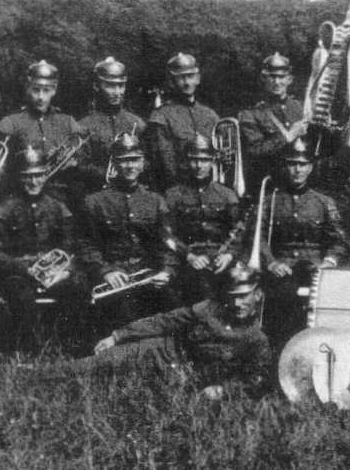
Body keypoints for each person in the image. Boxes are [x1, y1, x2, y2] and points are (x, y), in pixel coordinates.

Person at [85, 266, 270, 394]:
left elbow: (255, 377)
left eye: (243, 296)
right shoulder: (207, 309)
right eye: (232, 297)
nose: (237, 303)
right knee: (86, 368)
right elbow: (164, 321)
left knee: (119, 389)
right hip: (155, 353)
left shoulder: (256, 339)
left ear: (258, 294)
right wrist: (117, 336)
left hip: (179, 379)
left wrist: (222, 389)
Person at [0, 147, 82, 353]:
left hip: (54, 272)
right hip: (18, 275)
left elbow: (70, 245)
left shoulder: (57, 207)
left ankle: (70, 346)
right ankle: (31, 350)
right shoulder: (3, 210)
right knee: (22, 297)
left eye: (38, 175)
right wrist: (23, 268)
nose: (33, 182)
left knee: (77, 289)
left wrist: (65, 270)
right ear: (18, 178)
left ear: (46, 175)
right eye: (27, 176)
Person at [81, 132, 178, 330]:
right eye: (124, 161)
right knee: (126, 319)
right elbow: (87, 245)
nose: (130, 166)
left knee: (173, 309)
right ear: (114, 164)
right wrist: (105, 271)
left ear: (143, 163)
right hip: (116, 277)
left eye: (135, 160)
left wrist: (167, 271)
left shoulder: (156, 201)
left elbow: (168, 244)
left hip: (149, 274)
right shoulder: (94, 202)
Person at [258, 137, 346, 347]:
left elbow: (339, 241)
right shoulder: (270, 200)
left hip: (315, 268)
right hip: (282, 269)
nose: (297, 170)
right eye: (292, 164)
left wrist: (329, 262)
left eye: (302, 164)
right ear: (285, 166)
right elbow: (257, 238)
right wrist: (271, 262)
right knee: (282, 305)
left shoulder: (324, 202)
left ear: (311, 167)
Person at [0, 59, 87, 206]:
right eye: (36, 90)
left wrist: (74, 163)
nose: (41, 97)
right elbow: (2, 172)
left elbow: (83, 164)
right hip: (23, 201)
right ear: (27, 88)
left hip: (62, 201)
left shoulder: (68, 123)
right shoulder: (10, 123)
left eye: (46, 90)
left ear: (54, 90)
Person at [164, 133, 242, 303]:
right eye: (194, 160)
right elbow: (167, 235)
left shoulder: (227, 195)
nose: (199, 165)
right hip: (187, 260)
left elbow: (239, 232)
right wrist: (189, 256)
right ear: (186, 161)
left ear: (213, 161)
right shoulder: (173, 195)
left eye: (205, 160)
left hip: (221, 259)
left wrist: (229, 255)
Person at [238, 52, 308, 193]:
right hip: (269, 186)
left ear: (289, 79)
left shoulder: (300, 108)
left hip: (300, 185)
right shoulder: (250, 113)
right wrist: (287, 137)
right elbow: (254, 152)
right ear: (264, 78)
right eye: (272, 77)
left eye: (281, 77)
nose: (276, 82)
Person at [147, 52, 219, 188]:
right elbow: (166, 165)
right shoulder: (161, 116)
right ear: (171, 81)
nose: (186, 83)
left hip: (211, 190)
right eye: (181, 78)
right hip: (179, 191)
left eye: (190, 77)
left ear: (198, 79)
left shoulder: (211, 115)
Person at [78, 57, 147, 196]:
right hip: (98, 195)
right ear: (97, 86)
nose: (117, 92)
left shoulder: (137, 123)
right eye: (110, 86)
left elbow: (149, 161)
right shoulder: (83, 126)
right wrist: (110, 173)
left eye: (121, 86)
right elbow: (80, 166)